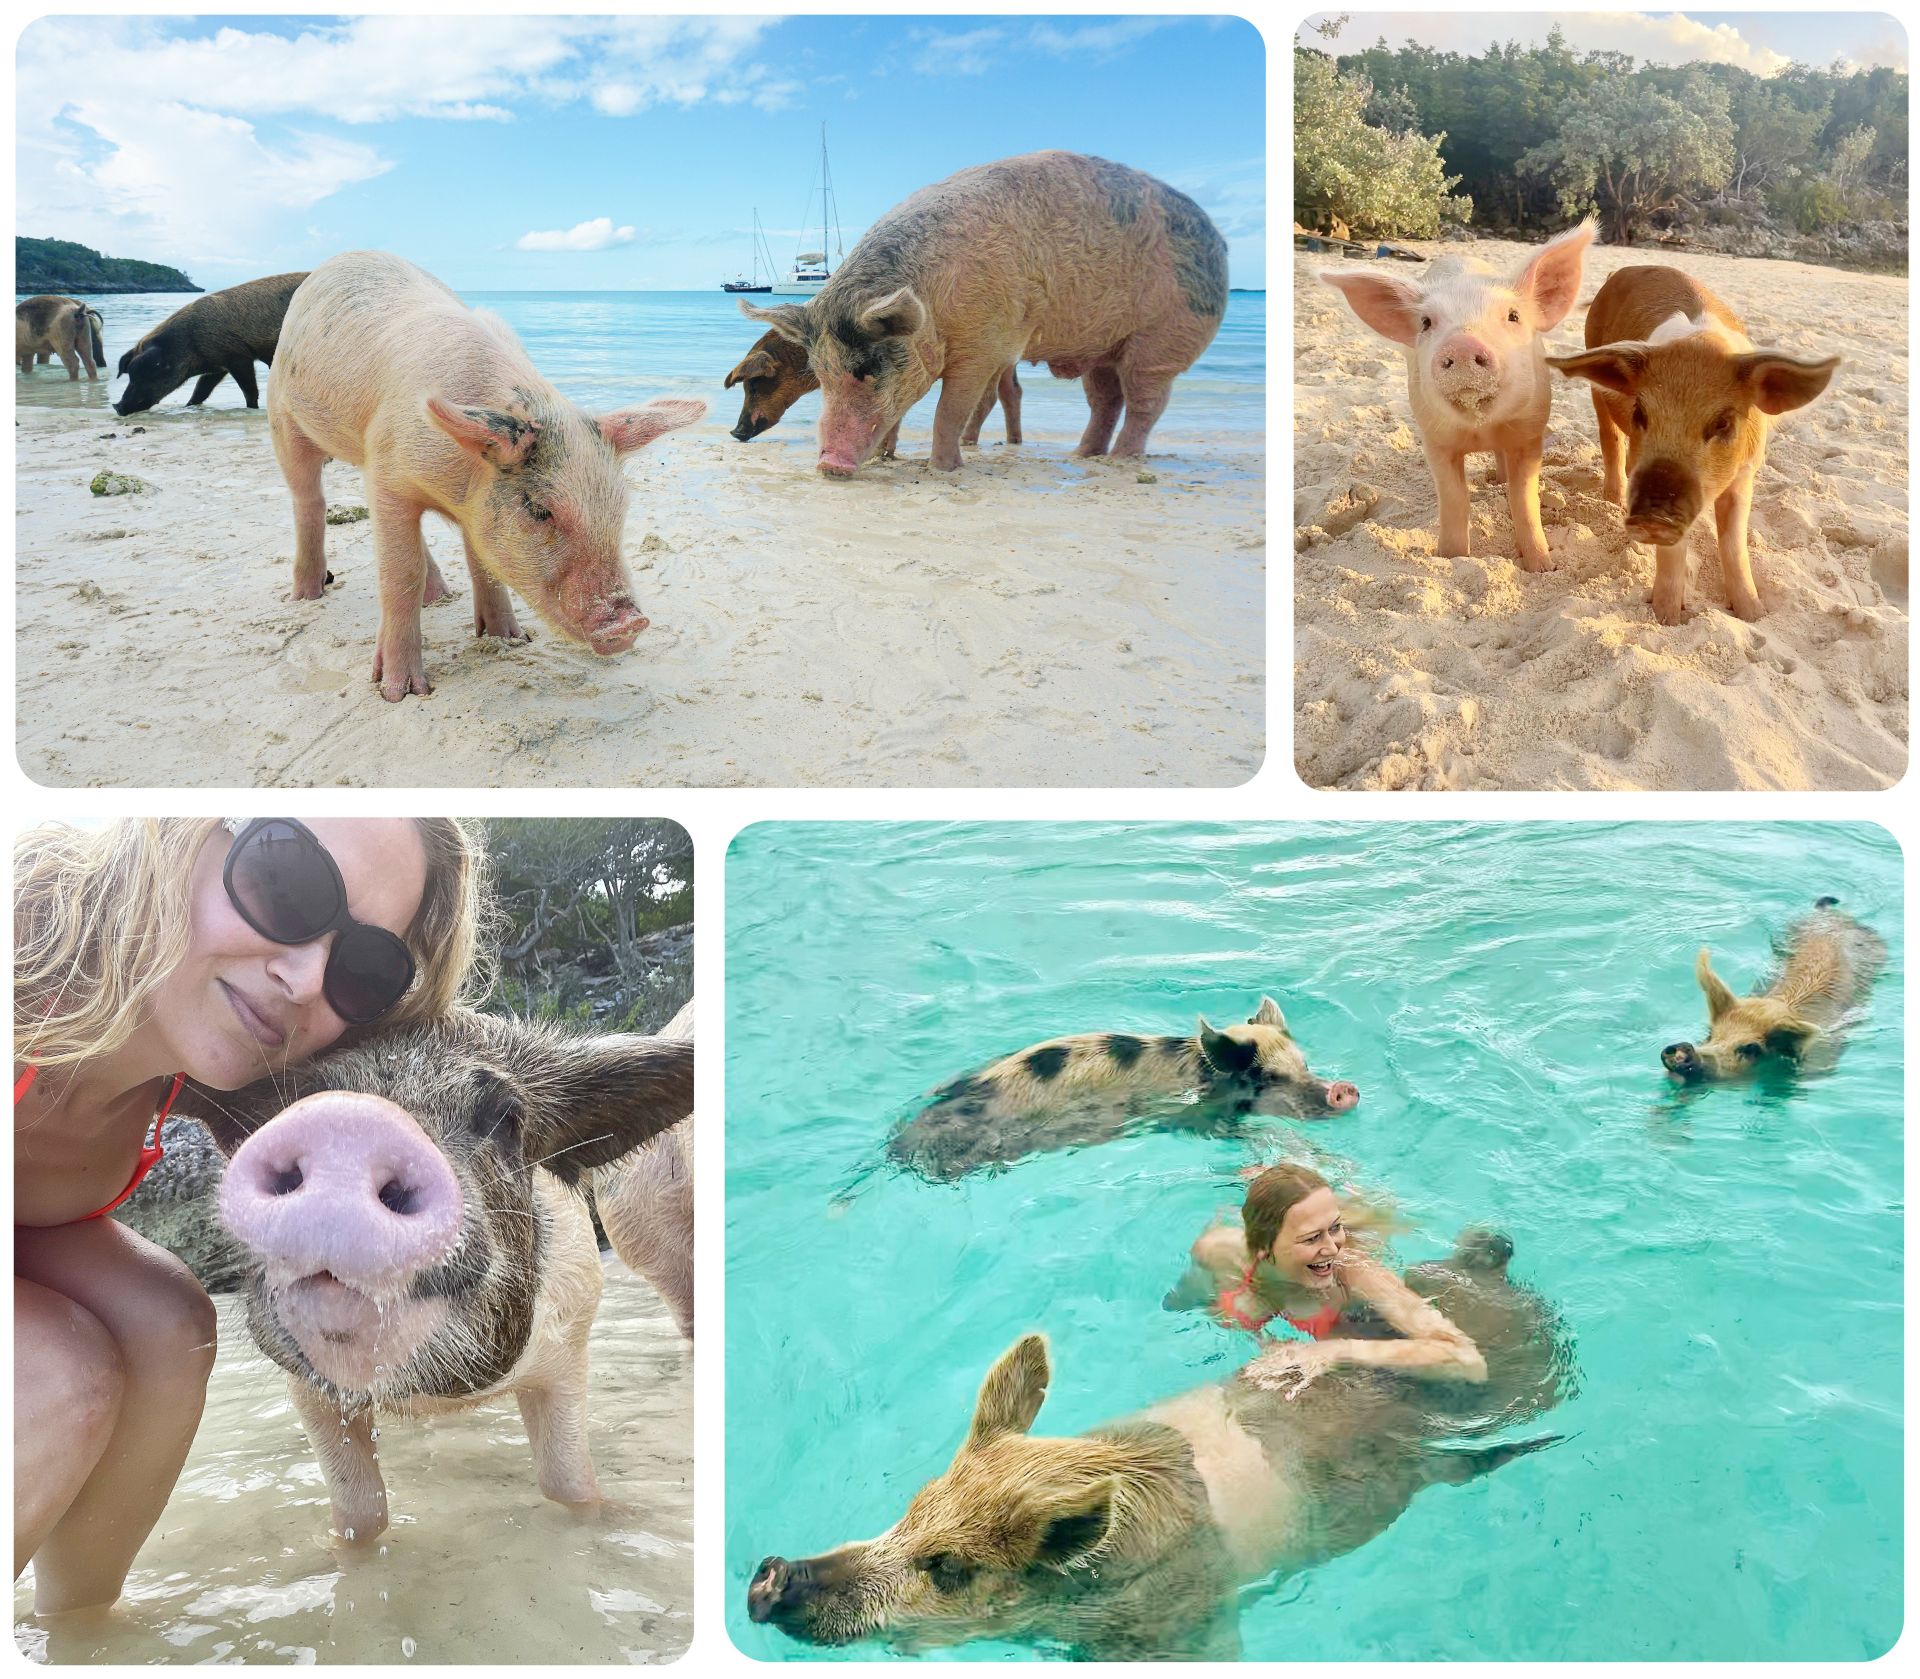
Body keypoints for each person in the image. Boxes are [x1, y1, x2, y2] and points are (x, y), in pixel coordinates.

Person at [13, 816, 490, 1614]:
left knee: (167, 1320)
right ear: (173, 834)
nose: (306, 978)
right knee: (57, 1377)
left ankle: (80, 1634)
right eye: (286, 882)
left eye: (365, 970)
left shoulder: (195, 1068)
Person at [1170, 1162, 1487, 1398]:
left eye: (1335, 1228)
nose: (1334, 1247)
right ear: (1265, 1247)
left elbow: (1469, 1361)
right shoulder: (1218, 1252)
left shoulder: (1356, 1272)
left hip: (1356, 1331)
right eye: (1312, 1239)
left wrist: (1336, 1351)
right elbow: (1183, 1303)